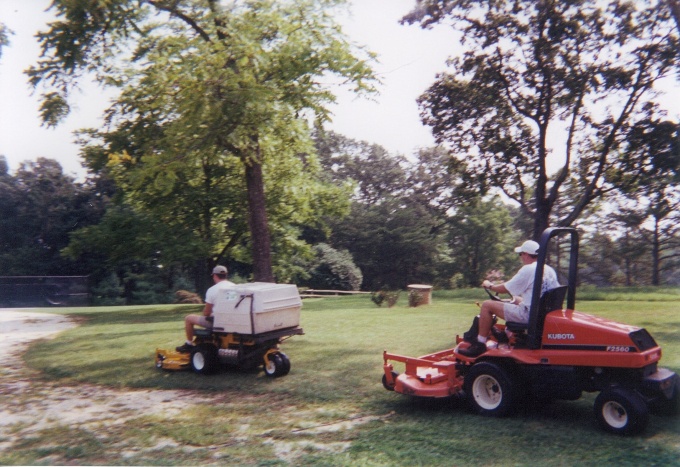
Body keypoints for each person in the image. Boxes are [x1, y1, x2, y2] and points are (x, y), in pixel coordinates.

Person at [460, 240, 559, 357]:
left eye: (521, 254)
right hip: (543, 312)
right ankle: (506, 334)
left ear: (526, 254)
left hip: (529, 316)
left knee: (487, 305)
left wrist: (489, 285)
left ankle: (479, 344)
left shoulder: (529, 269)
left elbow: (504, 288)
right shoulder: (548, 269)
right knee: (515, 299)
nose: (521, 257)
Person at [176, 265, 235, 353]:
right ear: (226, 275)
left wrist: (210, 313)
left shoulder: (212, 290)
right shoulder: (235, 287)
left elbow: (206, 313)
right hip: (234, 321)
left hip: (218, 323)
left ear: (214, 275)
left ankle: (188, 344)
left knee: (188, 318)